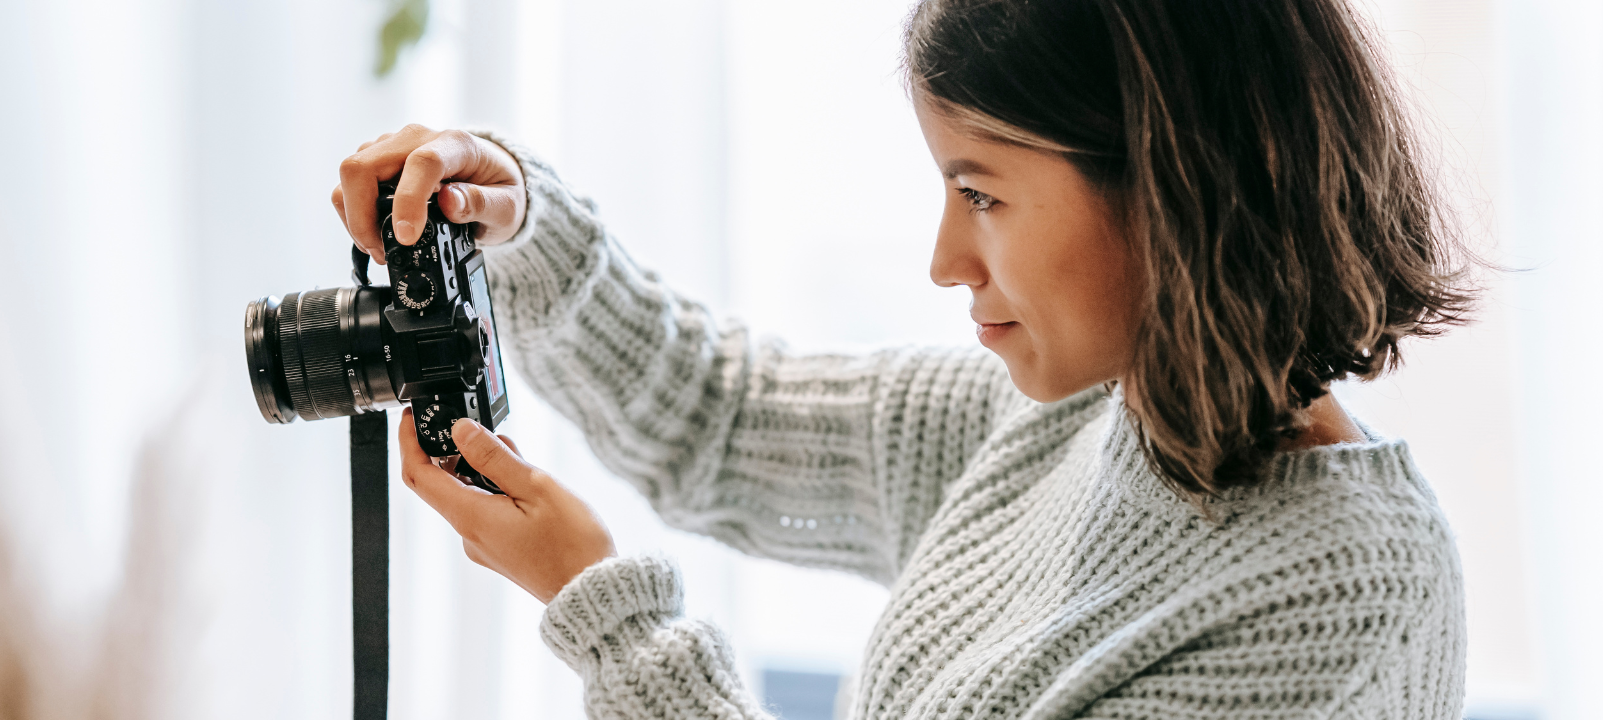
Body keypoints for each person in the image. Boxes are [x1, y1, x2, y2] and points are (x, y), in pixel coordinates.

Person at [331, 0, 1476, 716]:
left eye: (982, 192)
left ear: (1175, 183)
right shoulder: (1077, 422)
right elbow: (721, 420)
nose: (946, 259)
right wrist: (519, 217)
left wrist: (610, 620)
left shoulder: (1343, 600)